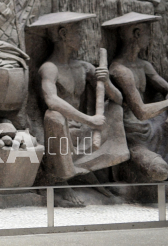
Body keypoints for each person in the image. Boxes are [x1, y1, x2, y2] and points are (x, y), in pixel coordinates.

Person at [31, 12, 129, 207]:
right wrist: (89, 120)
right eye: (78, 32)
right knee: (54, 117)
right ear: (63, 34)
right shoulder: (50, 68)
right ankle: (62, 177)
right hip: (60, 134)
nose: (82, 37)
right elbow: (52, 100)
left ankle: (86, 172)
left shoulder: (83, 67)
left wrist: (107, 82)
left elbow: (119, 99)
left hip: (83, 132)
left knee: (115, 110)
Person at [103, 13, 168, 182]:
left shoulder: (144, 65)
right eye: (148, 33)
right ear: (137, 33)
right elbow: (140, 112)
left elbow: (164, 86)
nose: (150, 37)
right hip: (134, 134)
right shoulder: (120, 70)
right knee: (158, 170)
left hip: (154, 128)